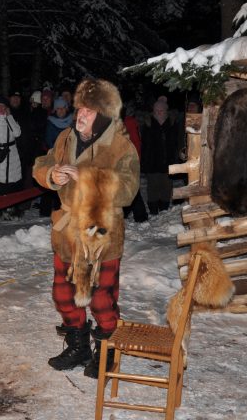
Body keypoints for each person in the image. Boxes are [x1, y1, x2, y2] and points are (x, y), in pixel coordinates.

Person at [33, 78, 139, 379]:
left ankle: (108, 351)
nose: (80, 115)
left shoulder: (120, 144)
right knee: (63, 295)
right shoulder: (66, 137)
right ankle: (78, 345)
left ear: (103, 114)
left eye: (88, 111)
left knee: (101, 299)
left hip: (100, 234)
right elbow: (41, 163)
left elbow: (129, 188)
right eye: (80, 108)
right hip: (68, 232)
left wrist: (88, 178)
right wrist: (51, 174)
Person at [141, 99, 179, 215]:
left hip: (168, 161)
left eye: (161, 110)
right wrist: (145, 161)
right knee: (152, 186)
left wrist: (176, 158)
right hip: (152, 162)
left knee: (166, 186)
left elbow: (176, 143)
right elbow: (144, 145)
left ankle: (164, 208)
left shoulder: (172, 124)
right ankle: (153, 210)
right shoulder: (148, 124)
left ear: (166, 111)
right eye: (156, 110)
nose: (158, 112)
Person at [39, 97, 73, 217]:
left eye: (62, 108)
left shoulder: (73, 121)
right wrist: (59, 151)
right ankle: (45, 211)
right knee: (52, 182)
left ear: (66, 108)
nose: (60, 110)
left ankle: (63, 210)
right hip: (55, 157)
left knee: (67, 184)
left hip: (70, 157)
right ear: (55, 110)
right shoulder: (50, 122)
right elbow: (49, 140)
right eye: (58, 108)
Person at [122, 102, 148, 223]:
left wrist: (135, 160)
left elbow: (136, 142)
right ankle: (127, 212)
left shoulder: (129, 122)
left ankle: (140, 215)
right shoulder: (114, 122)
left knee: (132, 188)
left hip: (130, 160)